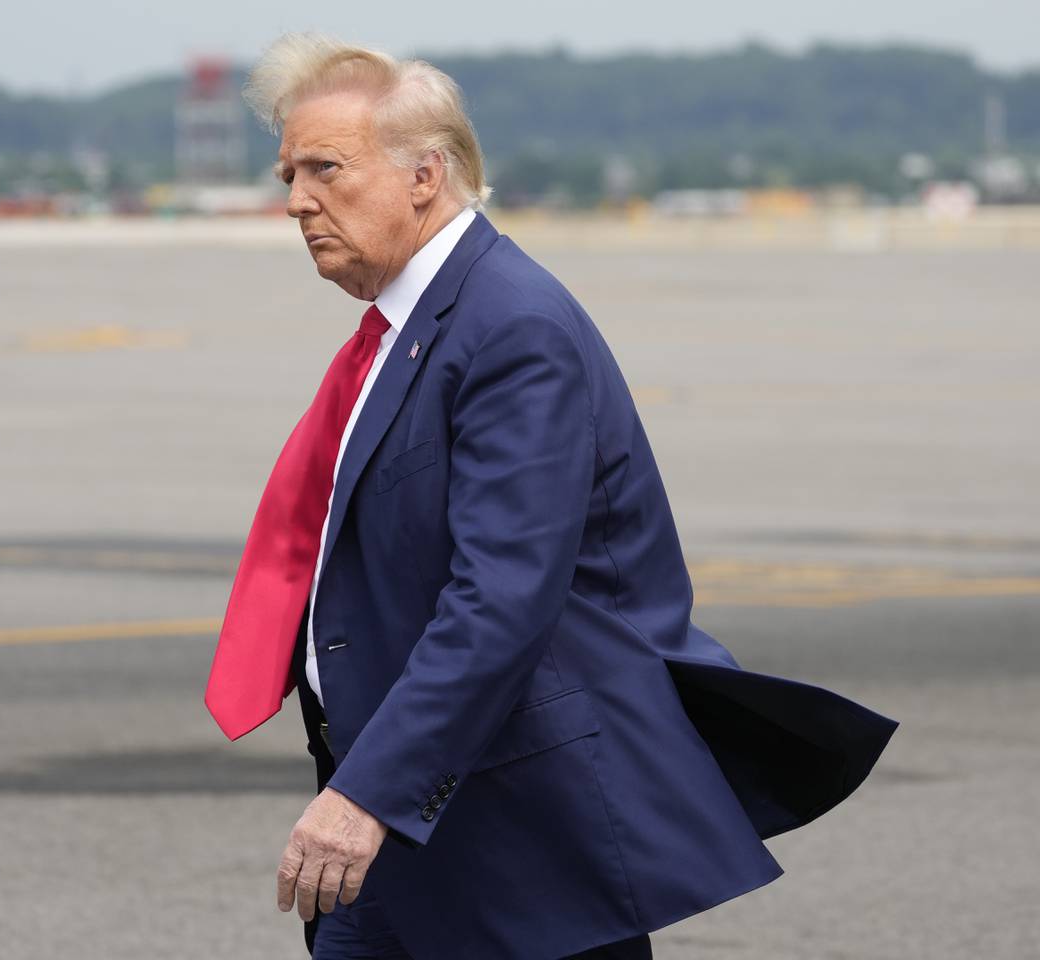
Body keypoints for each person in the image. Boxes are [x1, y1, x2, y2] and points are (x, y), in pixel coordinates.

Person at [203, 32, 897, 960]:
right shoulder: (412, 328)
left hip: (521, 845)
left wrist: (372, 791)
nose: (297, 200)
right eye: (289, 172)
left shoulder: (509, 327)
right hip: (424, 822)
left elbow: (502, 598)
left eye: (326, 167)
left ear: (424, 175)